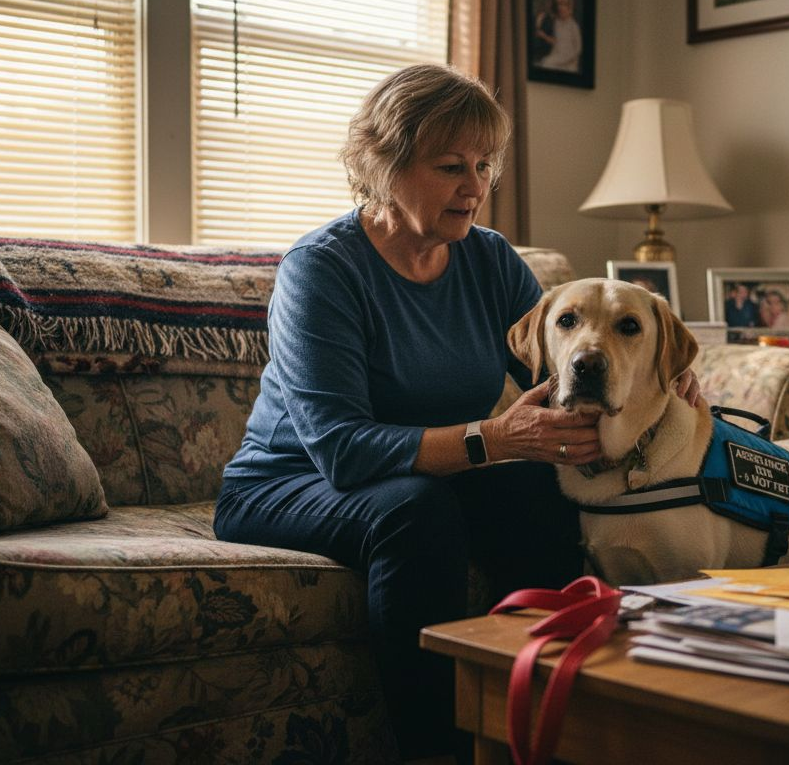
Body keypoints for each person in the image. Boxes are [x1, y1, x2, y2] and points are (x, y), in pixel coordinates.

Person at [214, 63, 696, 763]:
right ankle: (439, 751)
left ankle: (563, 729)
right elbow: (343, 452)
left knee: (539, 492)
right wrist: (497, 438)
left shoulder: (488, 259)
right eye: (450, 166)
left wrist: (664, 381)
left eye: (483, 165)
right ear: (383, 164)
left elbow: (561, 368)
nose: (475, 186)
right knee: (415, 510)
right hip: (287, 483)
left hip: (423, 476)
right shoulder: (322, 271)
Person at [536, 0, 581, 73]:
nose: (560, 8)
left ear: (569, 8)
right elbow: (555, 43)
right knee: (544, 64)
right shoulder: (557, 22)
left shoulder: (574, 26)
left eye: (563, 4)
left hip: (569, 62)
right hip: (556, 57)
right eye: (558, 4)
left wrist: (564, 59)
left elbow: (578, 49)